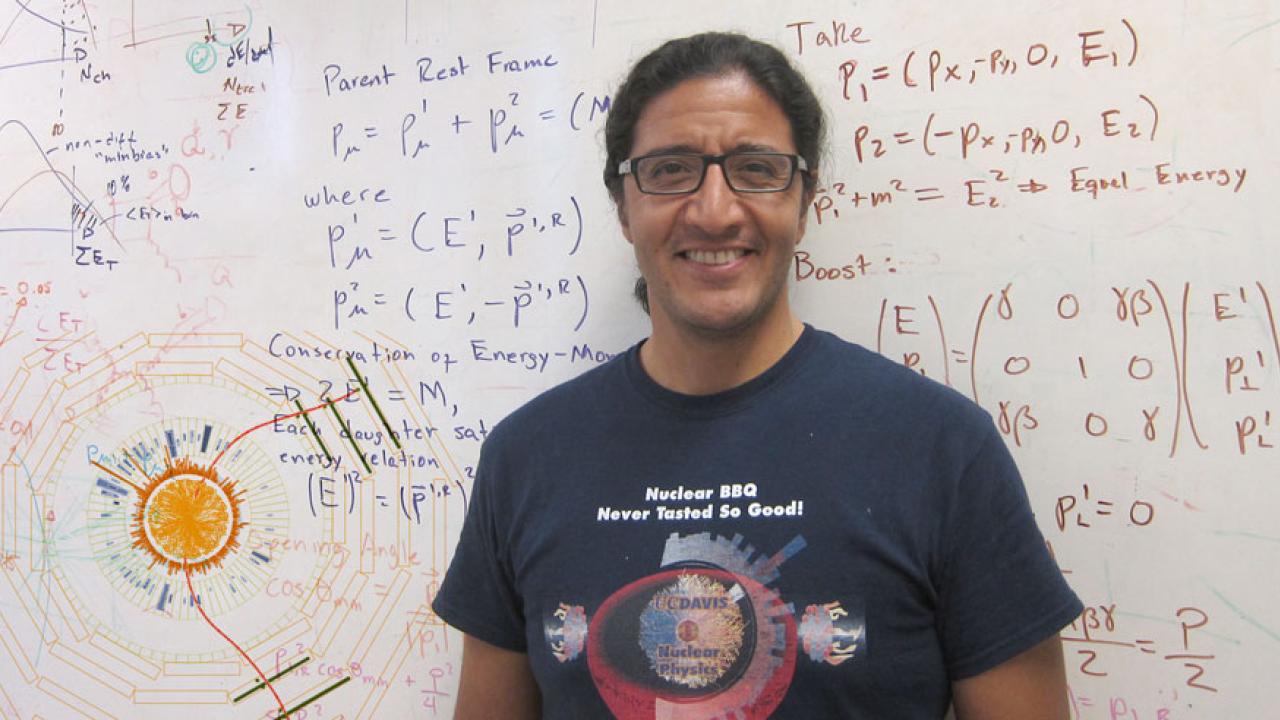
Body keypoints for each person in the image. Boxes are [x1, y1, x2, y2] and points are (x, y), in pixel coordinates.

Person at [432, 32, 1082, 719]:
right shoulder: (525, 457)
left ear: (804, 200)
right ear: (624, 207)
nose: (714, 210)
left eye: (757, 168)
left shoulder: (943, 449)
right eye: (671, 169)